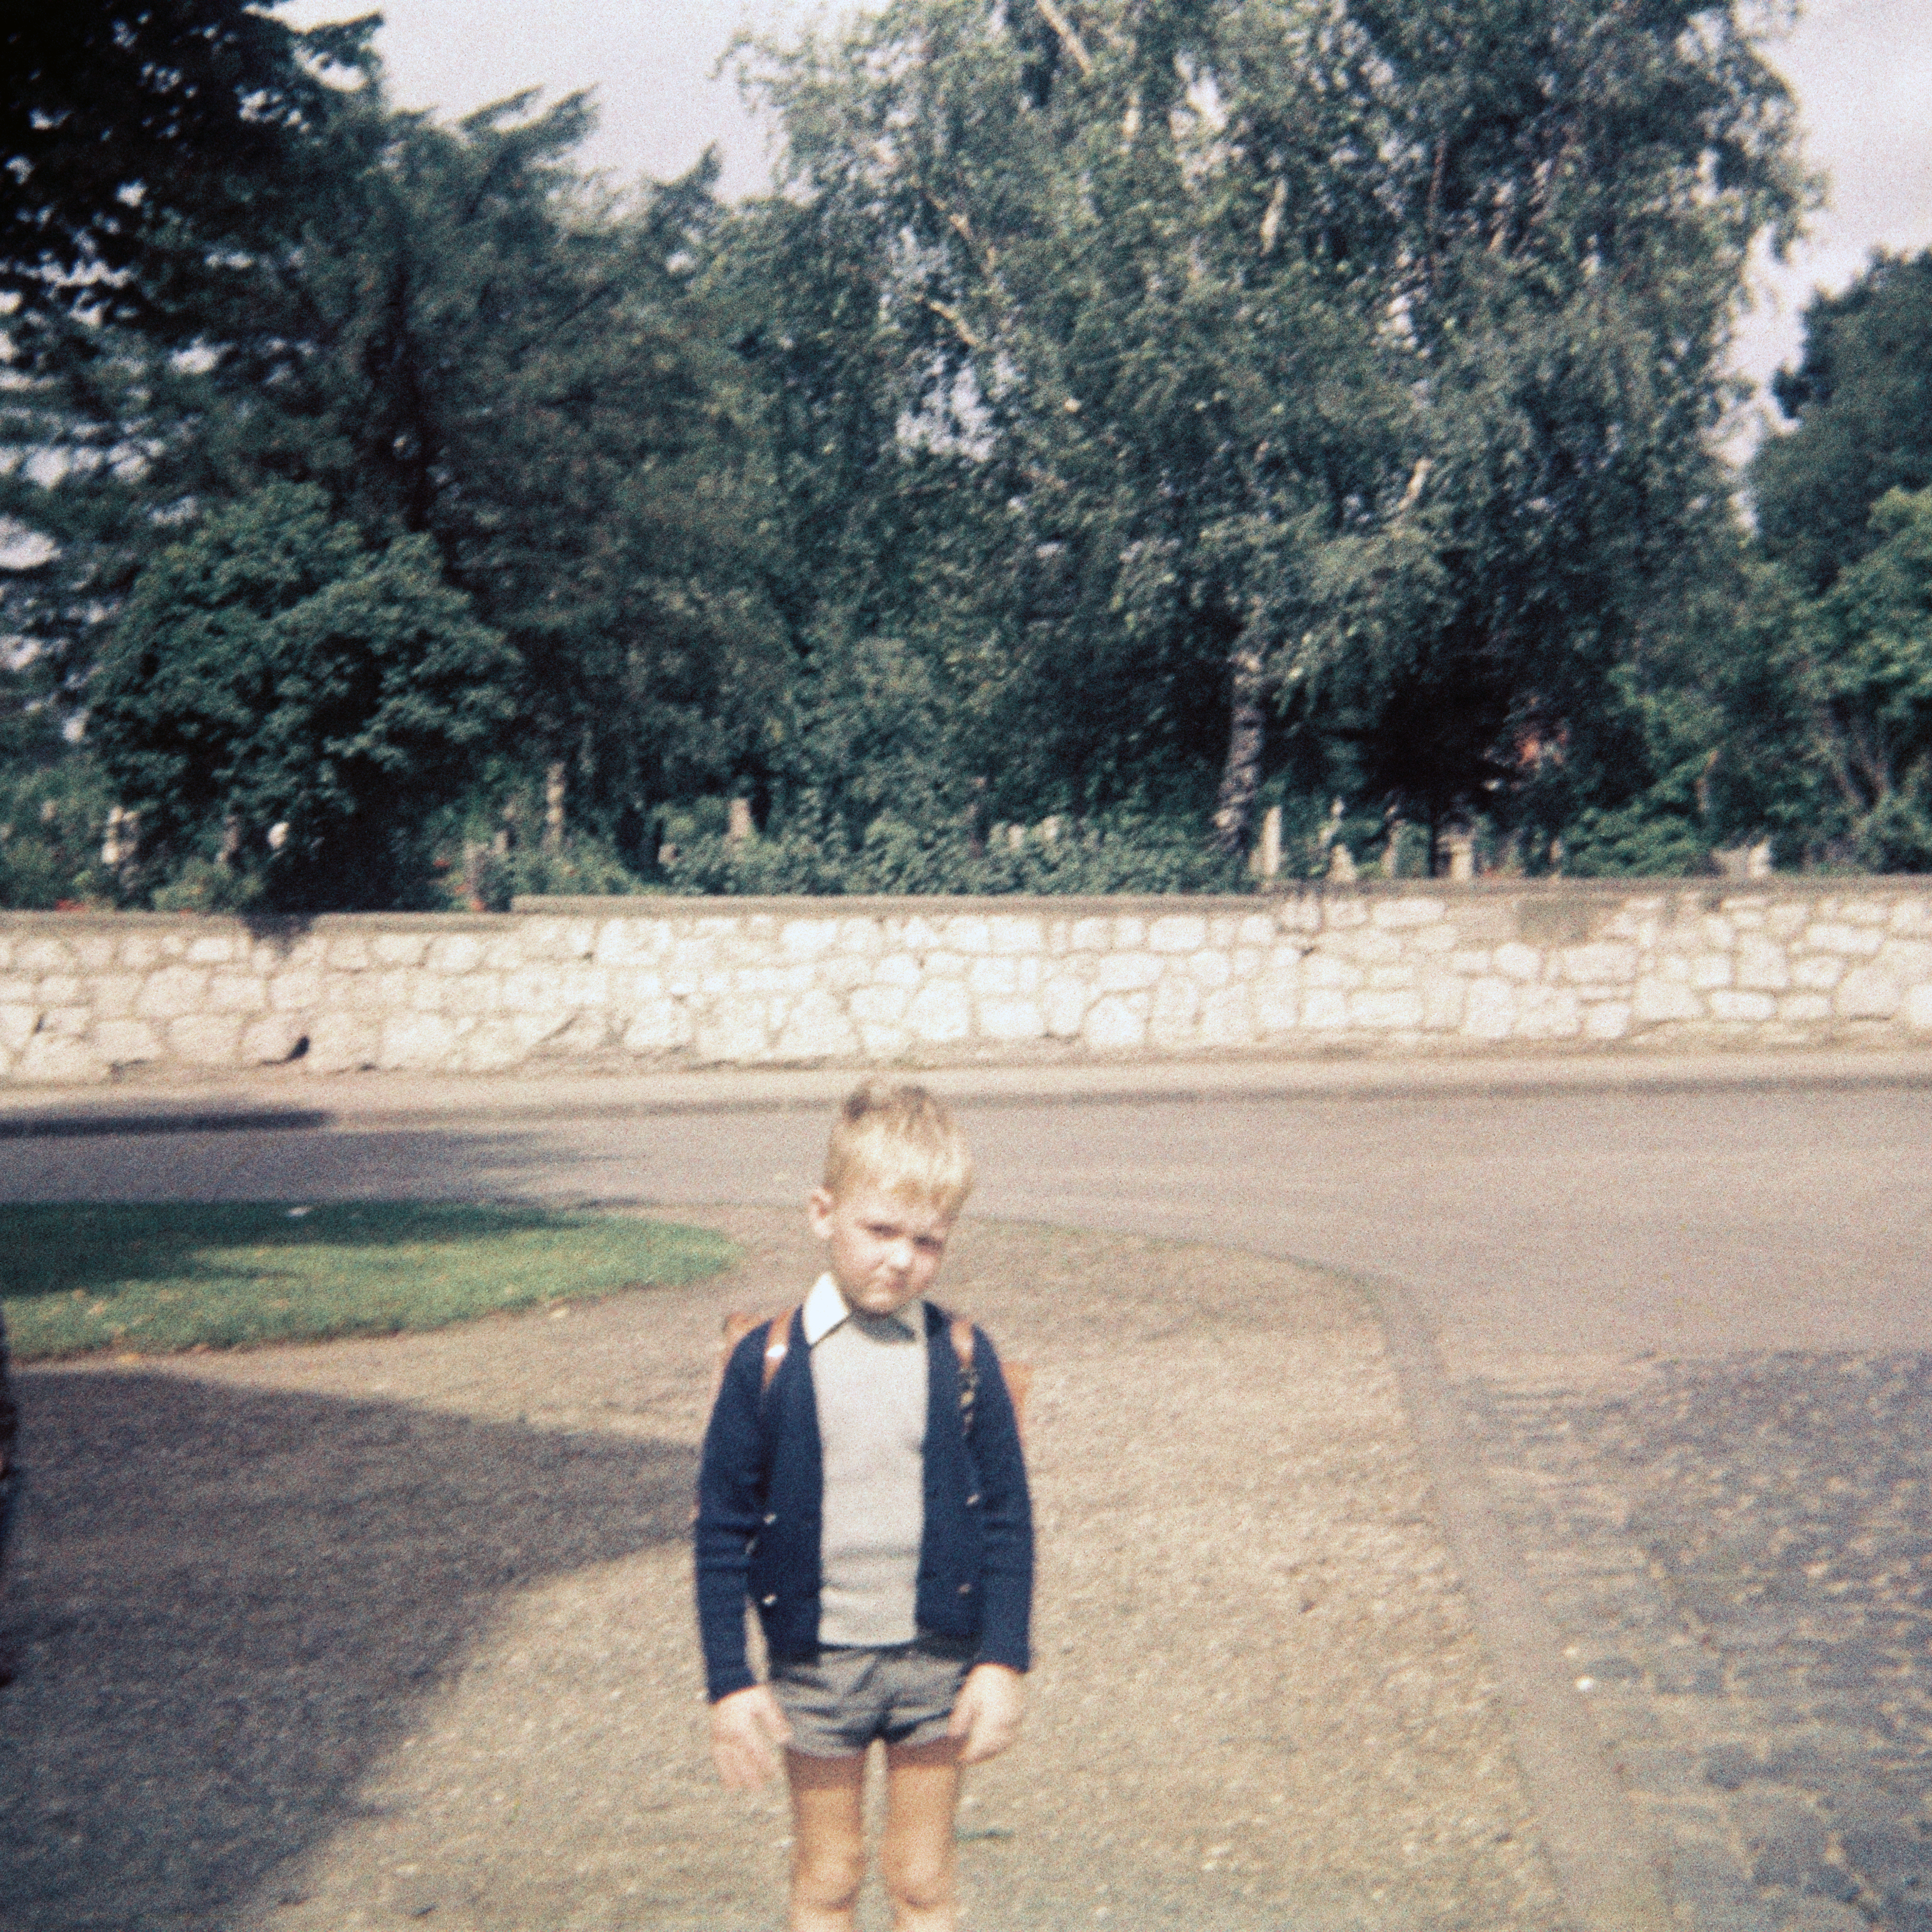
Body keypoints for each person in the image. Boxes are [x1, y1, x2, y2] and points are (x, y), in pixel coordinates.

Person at [695, 1081, 1033, 1932]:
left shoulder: (962, 1355)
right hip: (818, 1668)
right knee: (830, 1875)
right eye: (879, 1230)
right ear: (823, 1211)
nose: (899, 1259)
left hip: (936, 1660)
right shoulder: (765, 1360)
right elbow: (721, 1532)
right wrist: (730, 1682)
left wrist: (1002, 1660)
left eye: (927, 1240)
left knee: (922, 1881)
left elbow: (1006, 1518)